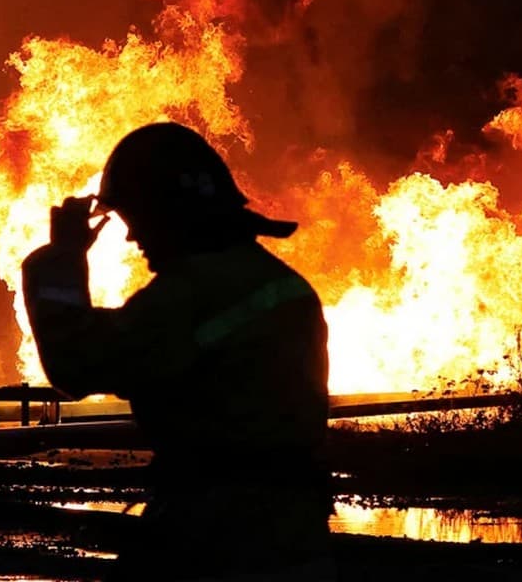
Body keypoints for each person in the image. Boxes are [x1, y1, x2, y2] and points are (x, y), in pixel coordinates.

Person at [22, 122, 333, 581]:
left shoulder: (188, 294)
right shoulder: (282, 284)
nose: (132, 238)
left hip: (216, 531)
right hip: (294, 523)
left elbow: (81, 364)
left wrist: (63, 259)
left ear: (168, 213)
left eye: (134, 219)